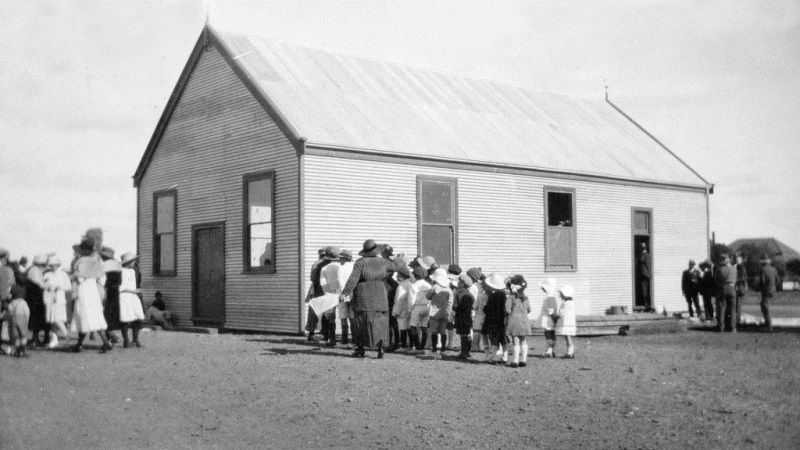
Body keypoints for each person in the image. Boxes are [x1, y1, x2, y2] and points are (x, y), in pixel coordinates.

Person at [341, 239, 394, 358]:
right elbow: (397, 268)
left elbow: (353, 279)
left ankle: (360, 349)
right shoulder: (385, 262)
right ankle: (381, 349)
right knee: (380, 322)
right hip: (380, 294)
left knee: (360, 322)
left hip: (363, 296)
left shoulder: (360, 262)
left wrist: (345, 292)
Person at [71, 237, 112, 353]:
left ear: (83, 250)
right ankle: (105, 342)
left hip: (83, 290)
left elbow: (79, 278)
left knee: (83, 315)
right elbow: (103, 278)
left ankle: (79, 344)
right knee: (95, 316)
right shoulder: (95, 261)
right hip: (93, 290)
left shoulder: (80, 261)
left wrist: (75, 279)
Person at [44, 256, 71, 347]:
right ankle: (54, 340)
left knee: (57, 319)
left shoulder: (63, 274)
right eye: (51, 265)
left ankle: (66, 335)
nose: (52, 267)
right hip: (50, 299)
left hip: (59, 298)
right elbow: (44, 285)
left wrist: (60, 287)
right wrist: (48, 287)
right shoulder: (47, 274)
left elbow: (68, 287)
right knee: (52, 320)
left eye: (54, 265)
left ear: (58, 265)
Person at [119, 252, 145, 348]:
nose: (134, 262)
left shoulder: (133, 271)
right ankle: (126, 341)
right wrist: (133, 290)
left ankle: (135, 339)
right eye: (133, 260)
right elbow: (120, 287)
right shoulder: (121, 272)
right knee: (125, 319)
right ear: (128, 262)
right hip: (124, 297)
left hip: (133, 297)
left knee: (138, 318)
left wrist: (136, 291)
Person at [482, 273, 508, 365]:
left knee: (494, 339)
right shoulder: (504, 295)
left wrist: (485, 308)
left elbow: (487, 308)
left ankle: (493, 357)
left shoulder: (493, 296)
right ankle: (505, 356)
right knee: (503, 339)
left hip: (492, 320)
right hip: (502, 320)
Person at [425, 268, 453, 357]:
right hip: (444, 313)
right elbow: (450, 303)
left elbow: (428, 297)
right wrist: (448, 313)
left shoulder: (434, 287)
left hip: (434, 313)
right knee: (443, 331)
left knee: (434, 332)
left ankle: (434, 349)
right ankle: (443, 349)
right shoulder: (449, 290)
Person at [505, 275, 531, 367]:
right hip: (524, 321)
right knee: (523, 340)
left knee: (515, 341)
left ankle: (515, 361)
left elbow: (507, 310)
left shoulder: (511, 297)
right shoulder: (525, 298)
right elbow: (529, 309)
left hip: (514, 321)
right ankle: (523, 360)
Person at [318, 246, 342, 346]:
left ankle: (331, 338)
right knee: (346, 316)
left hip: (330, 294)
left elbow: (323, 283)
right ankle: (346, 339)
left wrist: (328, 292)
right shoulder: (341, 267)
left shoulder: (324, 268)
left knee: (330, 317)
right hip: (341, 292)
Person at [305, 248, 328, 342]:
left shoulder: (316, 264)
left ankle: (311, 333)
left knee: (313, 312)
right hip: (326, 290)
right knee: (326, 312)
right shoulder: (330, 264)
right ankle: (325, 332)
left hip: (316, 289)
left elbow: (312, 278)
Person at [100, 246, 122, 344]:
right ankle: (111, 336)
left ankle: (111, 336)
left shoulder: (105, 265)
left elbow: (102, 280)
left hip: (108, 290)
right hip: (116, 291)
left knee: (105, 315)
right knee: (111, 315)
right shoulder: (118, 264)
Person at [25, 254, 49, 347]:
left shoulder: (34, 269)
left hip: (34, 297)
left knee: (36, 318)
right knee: (36, 318)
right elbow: (40, 284)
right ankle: (35, 339)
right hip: (35, 297)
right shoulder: (35, 270)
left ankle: (35, 339)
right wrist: (47, 285)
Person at [408, 265, 432, 353]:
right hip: (427, 306)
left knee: (413, 326)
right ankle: (423, 345)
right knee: (424, 326)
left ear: (415, 275)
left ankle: (416, 346)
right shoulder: (428, 285)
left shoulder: (414, 286)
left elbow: (411, 299)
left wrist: (410, 310)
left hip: (417, 306)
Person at [391, 265, 413, 350]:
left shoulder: (401, 286)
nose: (396, 276)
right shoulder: (411, 283)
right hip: (409, 309)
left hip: (401, 310)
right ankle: (411, 344)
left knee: (402, 328)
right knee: (409, 328)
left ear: (403, 276)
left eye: (398, 275)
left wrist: (395, 311)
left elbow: (398, 300)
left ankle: (404, 345)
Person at [714, 253, 737, 333]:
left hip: (723, 288)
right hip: (732, 288)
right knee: (732, 309)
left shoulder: (720, 269)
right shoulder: (734, 268)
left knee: (721, 308)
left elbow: (716, 280)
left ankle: (721, 327)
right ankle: (733, 327)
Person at [336, 250, 355, 346]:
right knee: (352, 316)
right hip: (353, 294)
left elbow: (340, 283)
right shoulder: (355, 267)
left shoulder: (341, 268)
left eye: (340, 258)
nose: (339, 260)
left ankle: (344, 339)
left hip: (343, 294)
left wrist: (344, 294)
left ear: (344, 258)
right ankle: (354, 338)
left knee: (343, 316)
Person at [5, 285, 30, 357]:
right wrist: (27, 320)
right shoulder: (23, 302)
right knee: (24, 336)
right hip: (22, 318)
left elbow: (9, 312)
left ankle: (17, 351)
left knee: (17, 337)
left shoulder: (11, 303)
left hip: (13, 319)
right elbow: (27, 312)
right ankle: (22, 351)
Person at [466, 267, 486, 352]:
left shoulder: (473, 287)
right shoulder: (480, 286)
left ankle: (473, 345)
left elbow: (472, 299)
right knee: (477, 329)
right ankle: (477, 346)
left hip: (474, 310)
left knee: (474, 329)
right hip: (480, 310)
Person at [537, 278, 559, 358]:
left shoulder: (549, 297)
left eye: (543, 287)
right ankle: (552, 350)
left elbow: (550, 310)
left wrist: (553, 318)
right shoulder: (552, 296)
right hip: (551, 317)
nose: (542, 289)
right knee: (552, 334)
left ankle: (549, 350)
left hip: (549, 318)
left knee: (548, 334)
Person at [555, 285, 577, 358]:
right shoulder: (571, 303)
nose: (560, 295)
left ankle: (570, 353)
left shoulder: (565, 303)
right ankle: (570, 352)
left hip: (566, 323)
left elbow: (561, 313)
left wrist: (556, 315)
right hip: (569, 323)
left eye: (561, 294)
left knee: (567, 337)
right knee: (567, 337)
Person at [445, 264, 462, 351]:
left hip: (445, 302)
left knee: (446, 324)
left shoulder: (446, 278)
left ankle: (444, 343)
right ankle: (450, 343)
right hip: (454, 304)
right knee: (450, 324)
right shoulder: (458, 280)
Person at [759, 255, 778, 332]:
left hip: (766, 290)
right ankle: (767, 322)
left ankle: (769, 325)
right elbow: (777, 279)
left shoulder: (763, 269)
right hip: (773, 289)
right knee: (763, 304)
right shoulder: (774, 269)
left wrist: (761, 288)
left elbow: (762, 281)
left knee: (766, 307)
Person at [734, 253, 748, 327]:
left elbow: (743, 277)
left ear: (741, 260)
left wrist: (735, 280)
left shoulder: (741, 267)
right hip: (738, 288)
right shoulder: (737, 266)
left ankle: (737, 321)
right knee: (737, 305)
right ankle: (737, 320)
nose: (737, 260)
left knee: (738, 305)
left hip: (739, 288)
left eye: (738, 259)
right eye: (736, 258)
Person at [638, 243, 652, 310]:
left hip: (644, 275)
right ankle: (648, 304)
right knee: (647, 290)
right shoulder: (649, 255)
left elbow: (640, 260)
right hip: (648, 275)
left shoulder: (644, 255)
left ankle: (646, 305)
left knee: (644, 290)